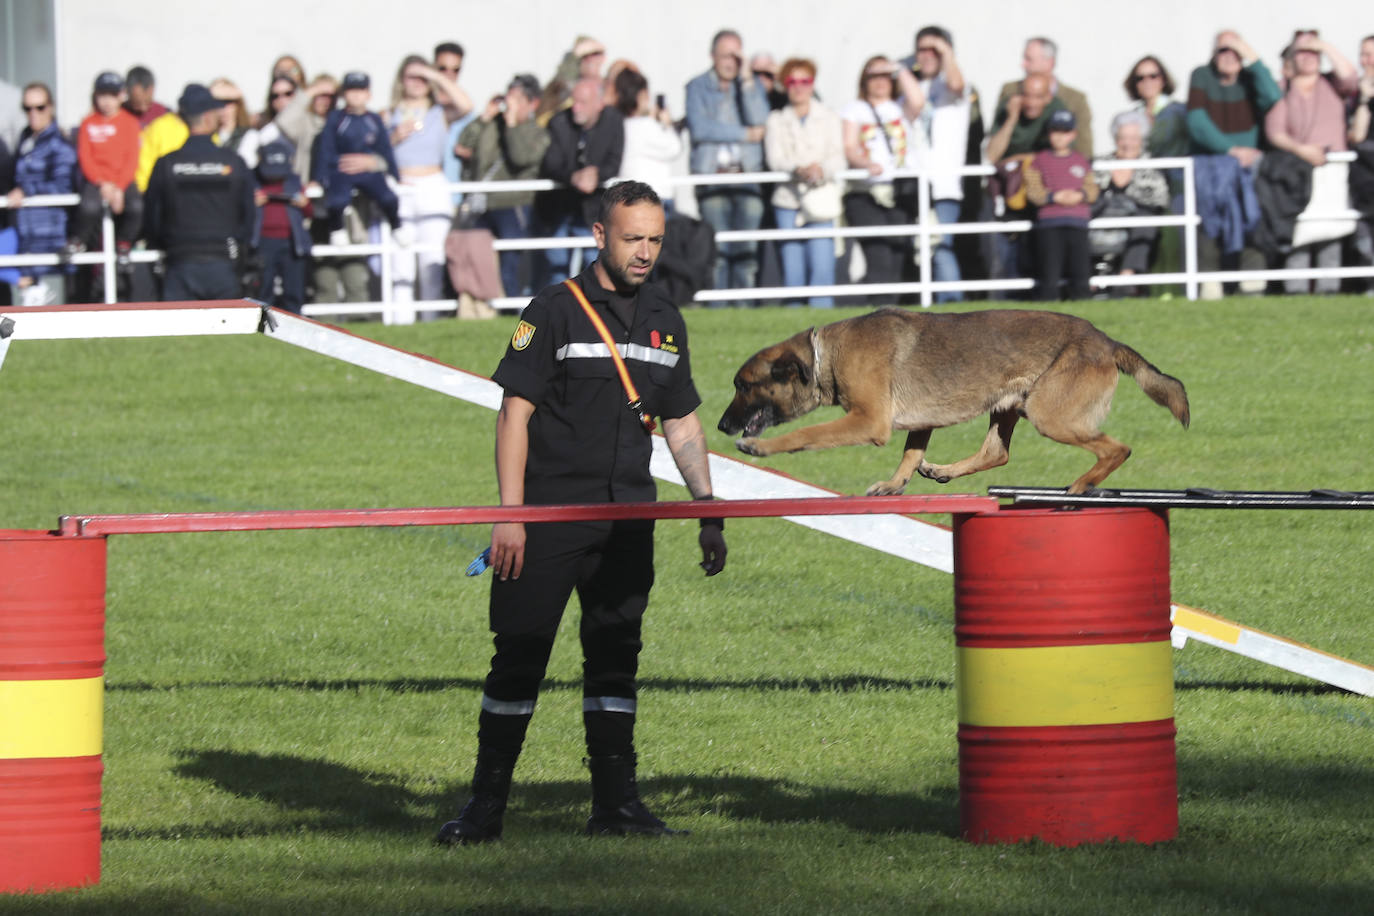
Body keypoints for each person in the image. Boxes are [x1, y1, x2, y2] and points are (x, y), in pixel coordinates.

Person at [434, 179, 726, 846]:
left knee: (616, 661)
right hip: (548, 519)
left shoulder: (666, 318)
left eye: (655, 239)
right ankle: (483, 812)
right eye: (633, 239)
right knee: (520, 658)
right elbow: (514, 413)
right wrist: (512, 515)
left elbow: (681, 423)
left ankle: (617, 807)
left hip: (629, 521)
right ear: (600, 235)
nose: (646, 252)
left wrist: (708, 509)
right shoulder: (555, 310)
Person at [1186, 30, 1281, 296]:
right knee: (1210, 219)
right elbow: (1197, 122)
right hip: (1212, 164)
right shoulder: (1201, 76)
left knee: (1251, 218)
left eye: (1234, 50)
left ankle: (1252, 284)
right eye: (1222, 50)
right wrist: (1231, 150)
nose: (1228, 56)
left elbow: (1273, 96)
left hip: (1248, 167)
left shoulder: (1251, 79)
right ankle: (1210, 286)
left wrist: (1251, 56)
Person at [142, 84, 256, 301]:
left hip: (179, 262)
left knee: (179, 333)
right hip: (224, 263)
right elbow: (248, 216)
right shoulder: (233, 162)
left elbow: (152, 218)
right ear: (207, 117)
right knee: (228, 334)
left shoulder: (166, 164)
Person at [1264, 31, 1358, 294]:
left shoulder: (1332, 84)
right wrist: (1301, 149)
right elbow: (1275, 130)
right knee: (1301, 231)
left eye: (1312, 52)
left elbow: (1350, 75)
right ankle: (1297, 289)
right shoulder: (1283, 90)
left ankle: (1329, 289)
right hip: (1299, 172)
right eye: (1301, 52)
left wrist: (1325, 46)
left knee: (1332, 230)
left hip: (1333, 169)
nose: (1308, 57)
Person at [685, 29, 771, 305]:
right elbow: (700, 129)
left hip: (747, 176)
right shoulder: (696, 86)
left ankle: (743, 311)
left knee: (746, 251)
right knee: (718, 251)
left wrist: (747, 80)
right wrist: (745, 134)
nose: (731, 62)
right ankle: (718, 309)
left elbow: (762, 120)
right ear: (713, 56)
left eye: (736, 55)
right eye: (726, 55)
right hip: (712, 178)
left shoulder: (751, 85)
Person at [387, 54, 468, 313]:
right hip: (401, 185)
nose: (418, 82)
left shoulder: (439, 113)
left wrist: (434, 76)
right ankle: (401, 322)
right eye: (412, 76)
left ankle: (430, 319)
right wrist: (394, 137)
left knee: (431, 259)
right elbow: (376, 152)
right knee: (401, 260)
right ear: (401, 79)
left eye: (422, 76)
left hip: (432, 184)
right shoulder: (387, 114)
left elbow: (466, 105)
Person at [457, 73, 551, 298]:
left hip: (515, 204)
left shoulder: (538, 133)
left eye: (518, 100)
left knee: (511, 262)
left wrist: (511, 125)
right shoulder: (492, 125)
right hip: (484, 204)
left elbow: (521, 156)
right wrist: (484, 117)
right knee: (476, 256)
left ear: (533, 103)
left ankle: (511, 308)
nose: (510, 105)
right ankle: (481, 306)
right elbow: (462, 146)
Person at [840, 56, 924, 302]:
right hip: (865, 192)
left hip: (899, 191)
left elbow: (918, 100)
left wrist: (897, 68)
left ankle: (891, 320)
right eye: (873, 76)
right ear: (863, 81)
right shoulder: (855, 109)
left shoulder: (900, 106)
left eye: (884, 76)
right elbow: (849, 145)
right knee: (878, 256)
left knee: (898, 256)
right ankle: (877, 321)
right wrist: (865, 164)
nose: (879, 81)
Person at [764, 57, 844, 307]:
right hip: (788, 201)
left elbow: (838, 158)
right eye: (792, 81)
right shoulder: (775, 120)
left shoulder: (829, 117)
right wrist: (797, 168)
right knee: (793, 272)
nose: (799, 87)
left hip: (820, 199)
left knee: (822, 269)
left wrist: (821, 170)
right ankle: (794, 335)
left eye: (805, 81)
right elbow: (775, 159)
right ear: (785, 85)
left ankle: (825, 334)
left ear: (813, 84)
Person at [535, 77, 624, 287]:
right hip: (560, 207)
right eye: (574, 101)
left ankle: (590, 314)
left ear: (599, 103)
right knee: (556, 267)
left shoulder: (613, 121)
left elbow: (614, 161)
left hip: (594, 208)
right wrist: (574, 177)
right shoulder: (558, 122)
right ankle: (558, 314)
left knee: (593, 266)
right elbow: (551, 163)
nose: (576, 107)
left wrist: (596, 174)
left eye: (583, 102)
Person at [910, 26, 972, 302]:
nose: (927, 55)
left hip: (944, 184)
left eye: (934, 49)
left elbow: (956, 85)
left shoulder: (955, 85)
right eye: (921, 49)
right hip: (914, 181)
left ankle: (953, 306)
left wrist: (945, 50)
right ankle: (937, 309)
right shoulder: (913, 86)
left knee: (940, 247)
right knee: (923, 249)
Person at [6, 82, 78, 305]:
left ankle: (33, 288)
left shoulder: (59, 145)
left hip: (47, 230)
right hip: (24, 228)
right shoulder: (26, 140)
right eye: (27, 108)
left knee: (38, 312)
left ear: (51, 108)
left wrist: (27, 190)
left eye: (40, 107)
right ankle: (27, 285)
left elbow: (64, 186)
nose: (33, 113)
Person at [72, 71, 143, 282]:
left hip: (123, 181)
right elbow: (85, 157)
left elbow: (132, 158)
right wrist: (103, 184)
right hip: (97, 181)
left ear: (121, 96)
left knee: (136, 207)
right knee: (88, 207)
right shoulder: (88, 123)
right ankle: (79, 240)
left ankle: (124, 243)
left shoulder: (130, 123)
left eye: (112, 95)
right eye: (103, 95)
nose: (107, 101)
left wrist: (119, 187)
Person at [313, 71, 402, 239]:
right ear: (343, 94)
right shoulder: (336, 118)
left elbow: (385, 149)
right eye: (351, 90)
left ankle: (396, 226)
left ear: (368, 94)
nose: (355, 95)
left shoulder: (374, 119)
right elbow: (326, 148)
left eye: (360, 90)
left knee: (389, 198)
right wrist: (320, 178)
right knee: (337, 201)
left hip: (369, 172)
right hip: (341, 171)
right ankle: (337, 229)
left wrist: (395, 175)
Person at [1091, 111, 1170, 291]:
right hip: (1103, 216)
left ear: (1142, 140)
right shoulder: (1100, 163)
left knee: (1146, 219)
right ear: (1115, 139)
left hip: (1135, 220)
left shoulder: (1151, 166)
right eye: (1123, 138)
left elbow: (1160, 198)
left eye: (1134, 138)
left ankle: (1128, 274)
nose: (1127, 144)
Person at [1024, 109, 1098, 301]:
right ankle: (1049, 304)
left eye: (1065, 131)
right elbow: (1033, 190)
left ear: (1073, 134)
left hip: (1078, 222)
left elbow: (1092, 188)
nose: (1059, 136)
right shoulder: (1039, 161)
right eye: (1055, 131)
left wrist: (1079, 195)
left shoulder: (1081, 160)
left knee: (1080, 269)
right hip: (1049, 223)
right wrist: (1052, 197)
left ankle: (1082, 302)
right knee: (1049, 270)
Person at [995, 38, 1092, 158]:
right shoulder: (1010, 91)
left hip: (1055, 171)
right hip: (1012, 171)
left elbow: (1084, 148)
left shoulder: (1075, 99)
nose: (1023, 64)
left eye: (1028, 59)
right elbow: (995, 145)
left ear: (1049, 62)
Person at [250, 140, 311, 314]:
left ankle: (294, 323)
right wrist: (252, 203)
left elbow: (309, 211)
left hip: (291, 242)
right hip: (262, 241)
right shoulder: (253, 180)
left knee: (293, 289)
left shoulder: (293, 181)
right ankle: (261, 324)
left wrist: (304, 204)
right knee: (263, 288)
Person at [615, 68, 682, 213]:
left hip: (628, 198)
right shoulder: (646, 126)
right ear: (641, 95)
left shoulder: (620, 125)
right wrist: (667, 123)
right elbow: (674, 148)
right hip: (656, 196)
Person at [209, 79, 260, 168]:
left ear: (238, 104)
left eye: (228, 101)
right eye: (217, 102)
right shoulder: (206, 136)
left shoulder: (249, 135)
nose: (223, 107)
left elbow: (246, 165)